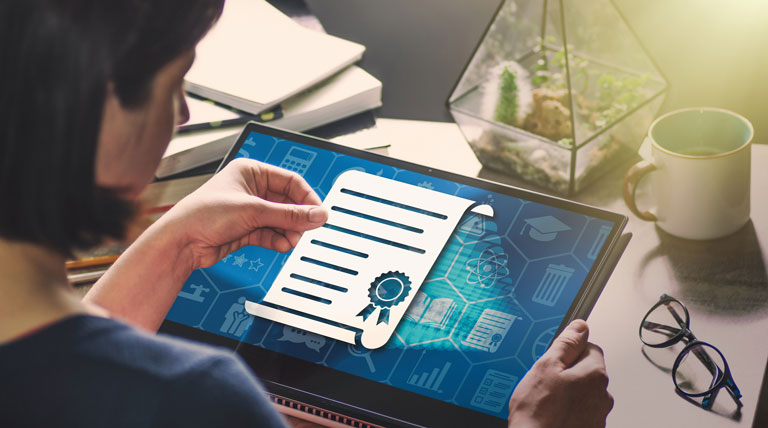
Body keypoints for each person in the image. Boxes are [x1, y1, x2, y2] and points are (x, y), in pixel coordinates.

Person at [0, 1, 612, 427]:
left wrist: (178, 242)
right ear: (106, 102)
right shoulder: (196, 398)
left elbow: (58, 366)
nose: (182, 115)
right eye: (175, 83)